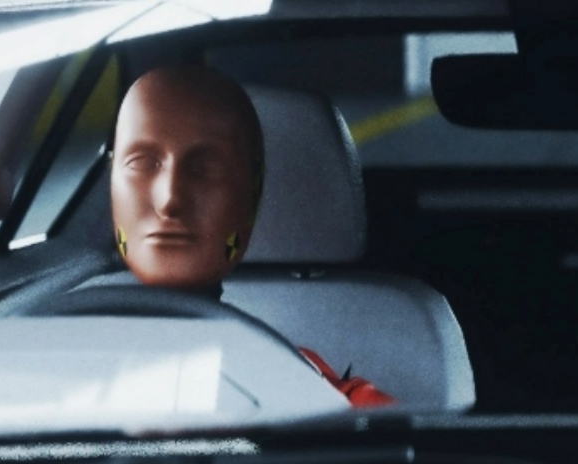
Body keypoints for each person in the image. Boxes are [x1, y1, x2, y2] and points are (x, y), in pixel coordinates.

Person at [108, 64, 392, 408]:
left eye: (204, 168)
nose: (169, 200)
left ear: (252, 190)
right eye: (142, 162)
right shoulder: (56, 361)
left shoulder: (328, 397)